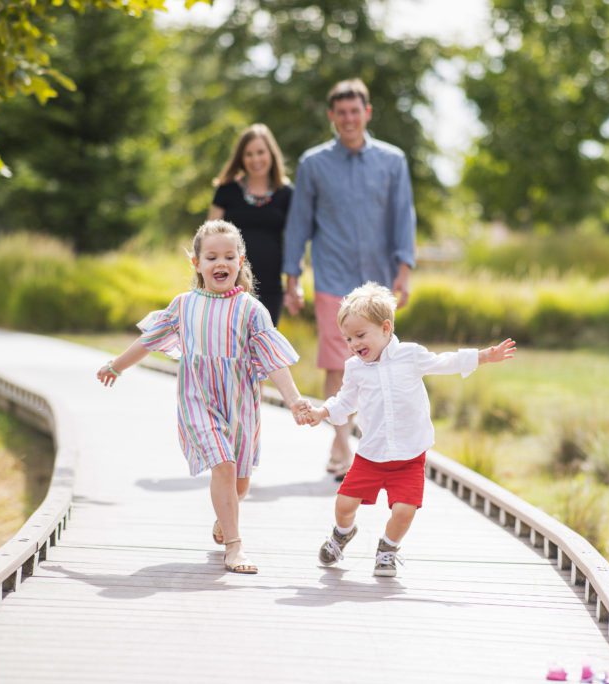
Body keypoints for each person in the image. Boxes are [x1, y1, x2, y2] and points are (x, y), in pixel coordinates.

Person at [96, 219, 311, 574]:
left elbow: (275, 361)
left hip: (240, 405)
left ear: (240, 261)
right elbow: (148, 341)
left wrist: (294, 400)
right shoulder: (183, 305)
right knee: (223, 466)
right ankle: (234, 546)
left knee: (240, 482)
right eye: (211, 257)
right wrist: (117, 366)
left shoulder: (251, 310)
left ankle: (224, 518)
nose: (220, 263)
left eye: (228, 256)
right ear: (196, 264)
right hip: (197, 401)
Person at [304, 283, 517, 577]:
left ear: (385, 328)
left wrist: (482, 356)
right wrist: (322, 412)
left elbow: (445, 362)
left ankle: (388, 549)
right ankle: (343, 533)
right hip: (371, 454)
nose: (353, 344)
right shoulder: (355, 368)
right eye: (348, 338)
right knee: (344, 504)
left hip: (409, 454)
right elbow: (345, 401)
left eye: (360, 335)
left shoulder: (410, 355)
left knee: (404, 510)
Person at [282, 78, 417, 480]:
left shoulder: (393, 161)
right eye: (340, 112)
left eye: (355, 111)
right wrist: (293, 278)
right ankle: (341, 443)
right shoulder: (313, 164)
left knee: (380, 361)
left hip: (377, 284)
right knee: (337, 361)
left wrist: (404, 272)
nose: (348, 119)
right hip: (332, 278)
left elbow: (403, 217)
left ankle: (374, 444)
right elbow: (298, 224)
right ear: (332, 117)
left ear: (367, 113)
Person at [209, 124, 293, 325]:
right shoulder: (226, 190)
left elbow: (294, 242)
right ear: (241, 158)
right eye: (249, 154)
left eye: (260, 152)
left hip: (270, 286)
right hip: (228, 283)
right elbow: (208, 237)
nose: (255, 159)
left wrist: (293, 284)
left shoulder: (287, 194)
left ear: (271, 154)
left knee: (263, 348)